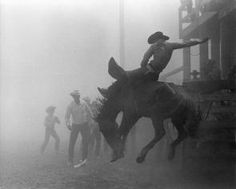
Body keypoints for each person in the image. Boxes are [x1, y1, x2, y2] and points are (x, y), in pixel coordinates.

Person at [99, 31, 209, 97]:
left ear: (158, 39)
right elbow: (186, 43)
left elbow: (144, 59)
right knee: (130, 79)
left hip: (148, 70)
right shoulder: (170, 45)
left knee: (126, 75)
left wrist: (142, 68)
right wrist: (200, 41)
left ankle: (109, 91)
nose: (156, 42)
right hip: (155, 74)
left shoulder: (153, 47)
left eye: (156, 40)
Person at [65, 90, 91, 167]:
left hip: (84, 125)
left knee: (85, 142)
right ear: (73, 97)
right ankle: (70, 160)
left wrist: (93, 119)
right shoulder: (70, 105)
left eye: (77, 96)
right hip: (75, 125)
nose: (76, 98)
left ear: (79, 96)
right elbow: (67, 116)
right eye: (75, 97)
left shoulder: (84, 103)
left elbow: (90, 112)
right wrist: (68, 124)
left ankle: (84, 159)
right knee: (72, 142)